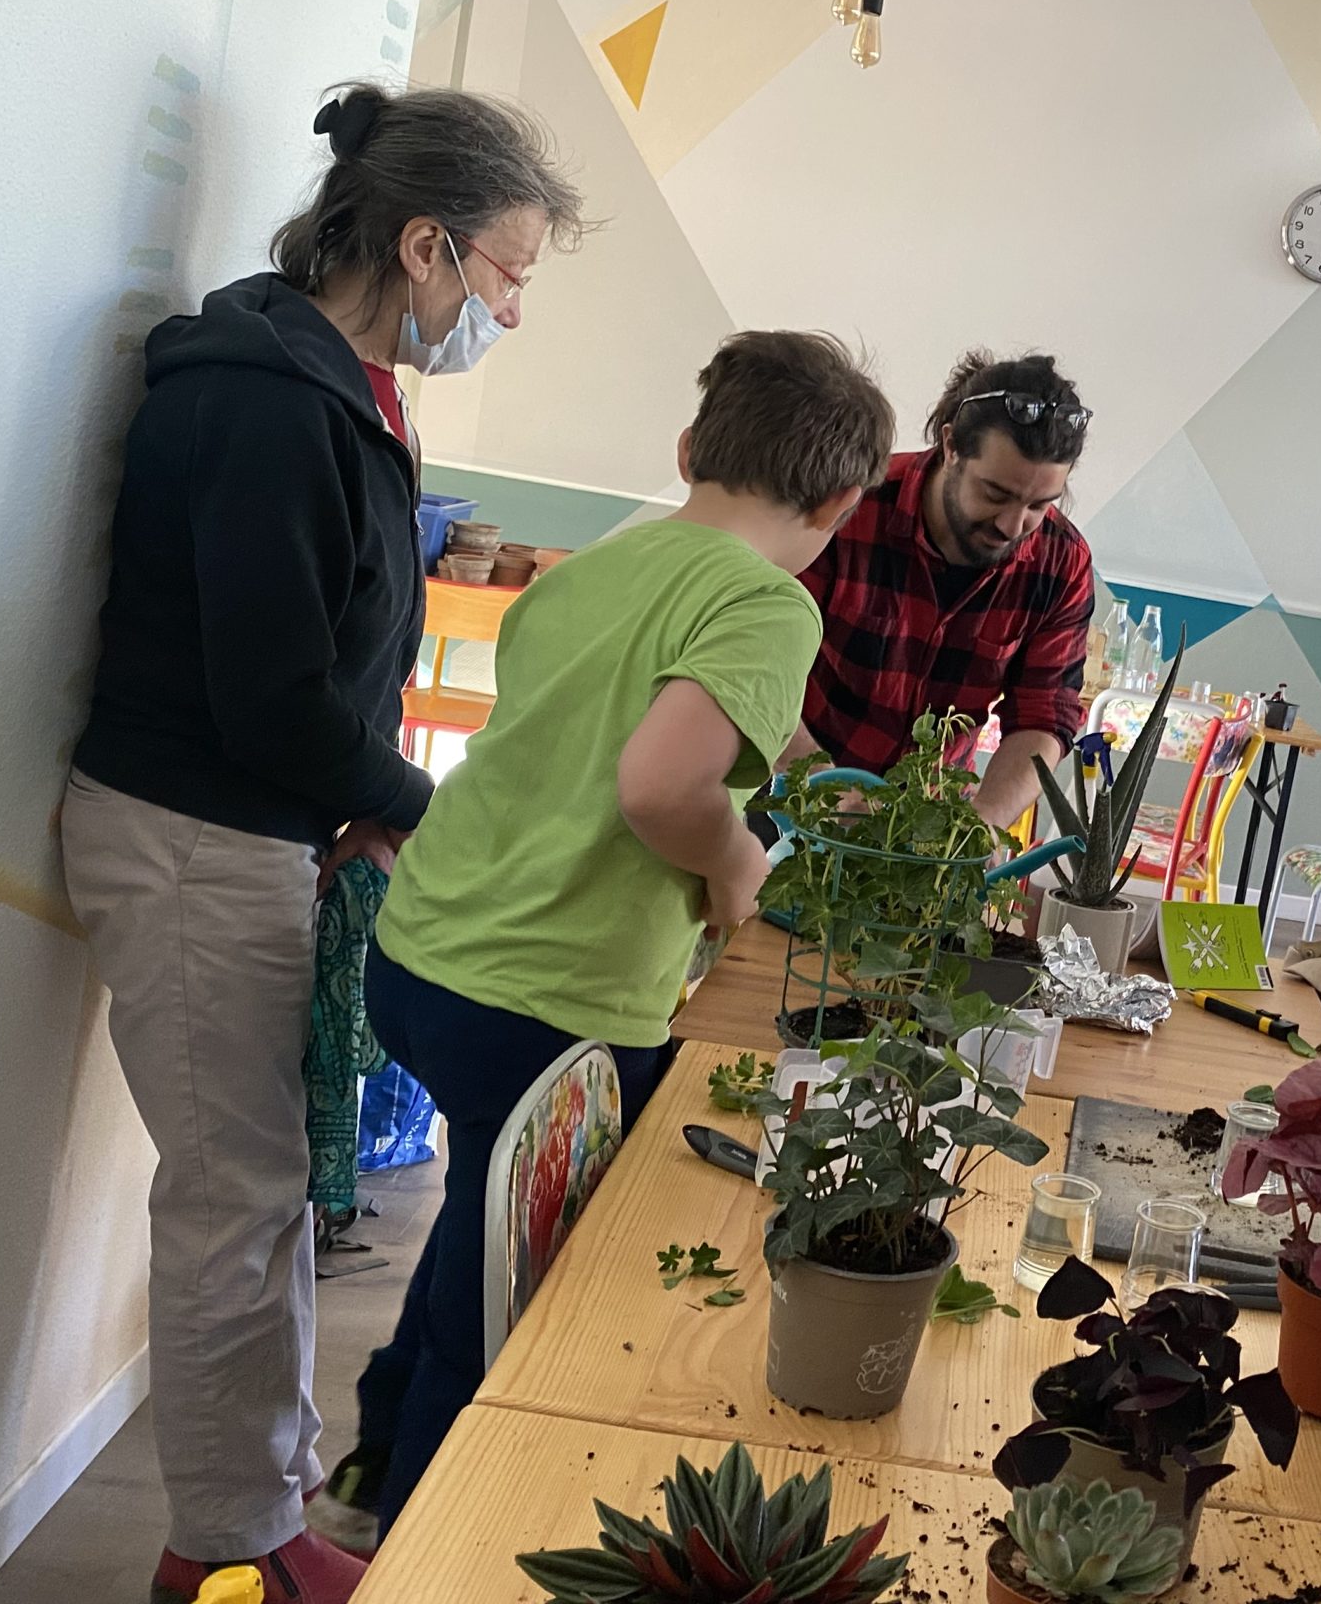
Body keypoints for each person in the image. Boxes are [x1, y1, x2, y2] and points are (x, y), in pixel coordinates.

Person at [60, 84, 580, 1604]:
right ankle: (233, 1556)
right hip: (189, 837)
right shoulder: (272, 399)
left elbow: (309, 674)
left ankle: (252, 1515)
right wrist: (409, 810)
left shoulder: (329, 381)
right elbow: (271, 690)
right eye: (507, 273)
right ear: (424, 245)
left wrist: (356, 803)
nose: (509, 308)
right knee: (236, 1200)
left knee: (265, 1190)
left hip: (245, 831)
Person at [318, 331, 893, 1540]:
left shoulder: (590, 573)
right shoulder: (768, 607)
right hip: (547, 997)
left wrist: (800, 762)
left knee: (479, 1219)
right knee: (510, 1304)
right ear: (843, 504)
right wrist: (740, 864)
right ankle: (425, 1534)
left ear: (688, 450)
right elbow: (655, 784)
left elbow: (616, 712)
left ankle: (374, 1460)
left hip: (422, 949)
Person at [788, 351, 1095, 826]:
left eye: (1040, 505)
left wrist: (982, 825)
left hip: (933, 822)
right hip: (797, 793)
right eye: (995, 494)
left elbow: (1044, 715)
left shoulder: (1063, 563)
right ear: (951, 445)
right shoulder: (849, 507)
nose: (1013, 525)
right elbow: (761, 669)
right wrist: (827, 790)